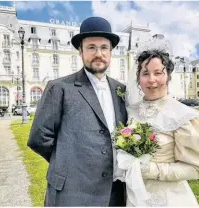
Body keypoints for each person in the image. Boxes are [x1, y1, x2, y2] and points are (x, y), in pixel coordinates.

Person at [27, 17, 127, 206]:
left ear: (111, 52)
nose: (98, 53)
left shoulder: (120, 90)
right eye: (91, 47)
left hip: (114, 194)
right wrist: (68, 162)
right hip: (72, 193)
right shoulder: (59, 88)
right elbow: (39, 138)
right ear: (80, 52)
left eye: (104, 47)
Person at [125, 49, 199, 206]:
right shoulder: (129, 111)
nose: (152, 79)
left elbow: (196, 168)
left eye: (158, 73)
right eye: (145, 73)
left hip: (168, 199)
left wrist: (152, 170)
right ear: (138, 79)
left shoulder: (184, 116)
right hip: (132, 197)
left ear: (168, 76)